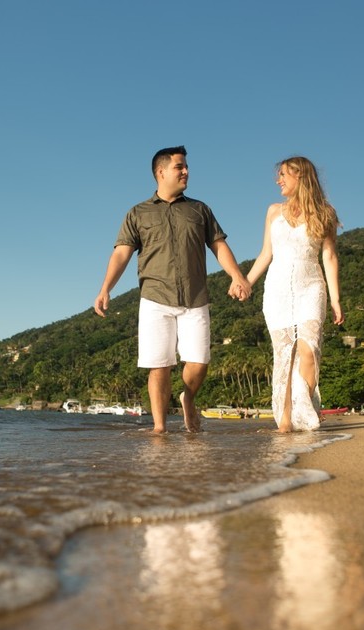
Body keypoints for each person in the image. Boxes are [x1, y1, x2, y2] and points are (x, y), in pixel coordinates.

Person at [94, 146, 251, 433]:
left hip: (195, 296)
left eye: (186, 166)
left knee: (199, 361)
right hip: (155, 298)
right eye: (180, 167)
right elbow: (121, 254)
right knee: (159, 365)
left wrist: (237, 276)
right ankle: (159, 428)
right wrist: (106, 288)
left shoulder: (199, 209)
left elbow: (218, 245)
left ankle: (187, 397)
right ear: (161, 172)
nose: (186, 171)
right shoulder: (138, 213)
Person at [245, 156, 343, 432]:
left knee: (308, 350)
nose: (278, 180)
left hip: (311, 286)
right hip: (277, 290)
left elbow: (329, 256)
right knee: (284, 357)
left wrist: (335, 299)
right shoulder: (273, 211)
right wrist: (246, 282)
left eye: (283, 175)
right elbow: (266, 254)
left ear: (300, 176)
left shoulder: (326, 213)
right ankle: (285, 422)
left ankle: (304, 409)